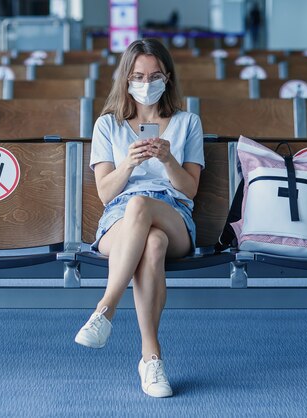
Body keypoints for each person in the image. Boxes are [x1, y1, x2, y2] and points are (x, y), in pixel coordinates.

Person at [74, 38, 204, 398]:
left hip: (174, 214)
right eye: (138, 76)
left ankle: (105, 310)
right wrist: (128, 163)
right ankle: (151, 358)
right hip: (119, 219)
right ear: (126, 79)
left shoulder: (186, 122)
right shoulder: (108, 126)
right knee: (152, 242)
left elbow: (190, 189)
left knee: (143, 207)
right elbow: (105, 193)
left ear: (168, 78)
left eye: (155, 75)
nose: (146, 84)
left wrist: (167, 160)